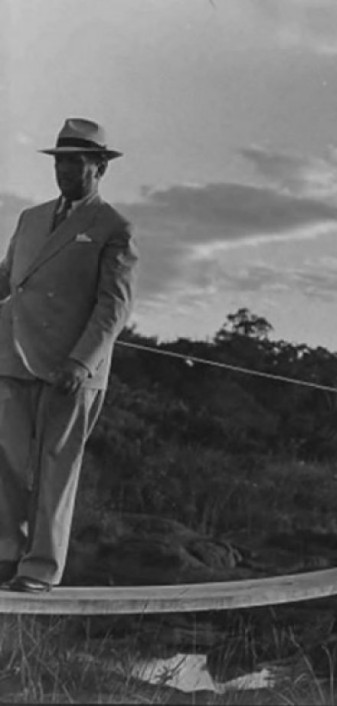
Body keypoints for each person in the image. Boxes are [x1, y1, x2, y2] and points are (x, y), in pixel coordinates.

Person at [0, 118, 138, 593]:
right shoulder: (31, 218)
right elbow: (7, 280)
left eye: (76, 161)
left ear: (100, 166)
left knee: (56, 467)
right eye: (60, 160)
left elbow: (113, 306)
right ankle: (5, 555)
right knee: (9, 461)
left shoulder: (113, 226)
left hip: (70, 367)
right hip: (13, 355)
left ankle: (39, 569)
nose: (65, 169)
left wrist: (82, 363)